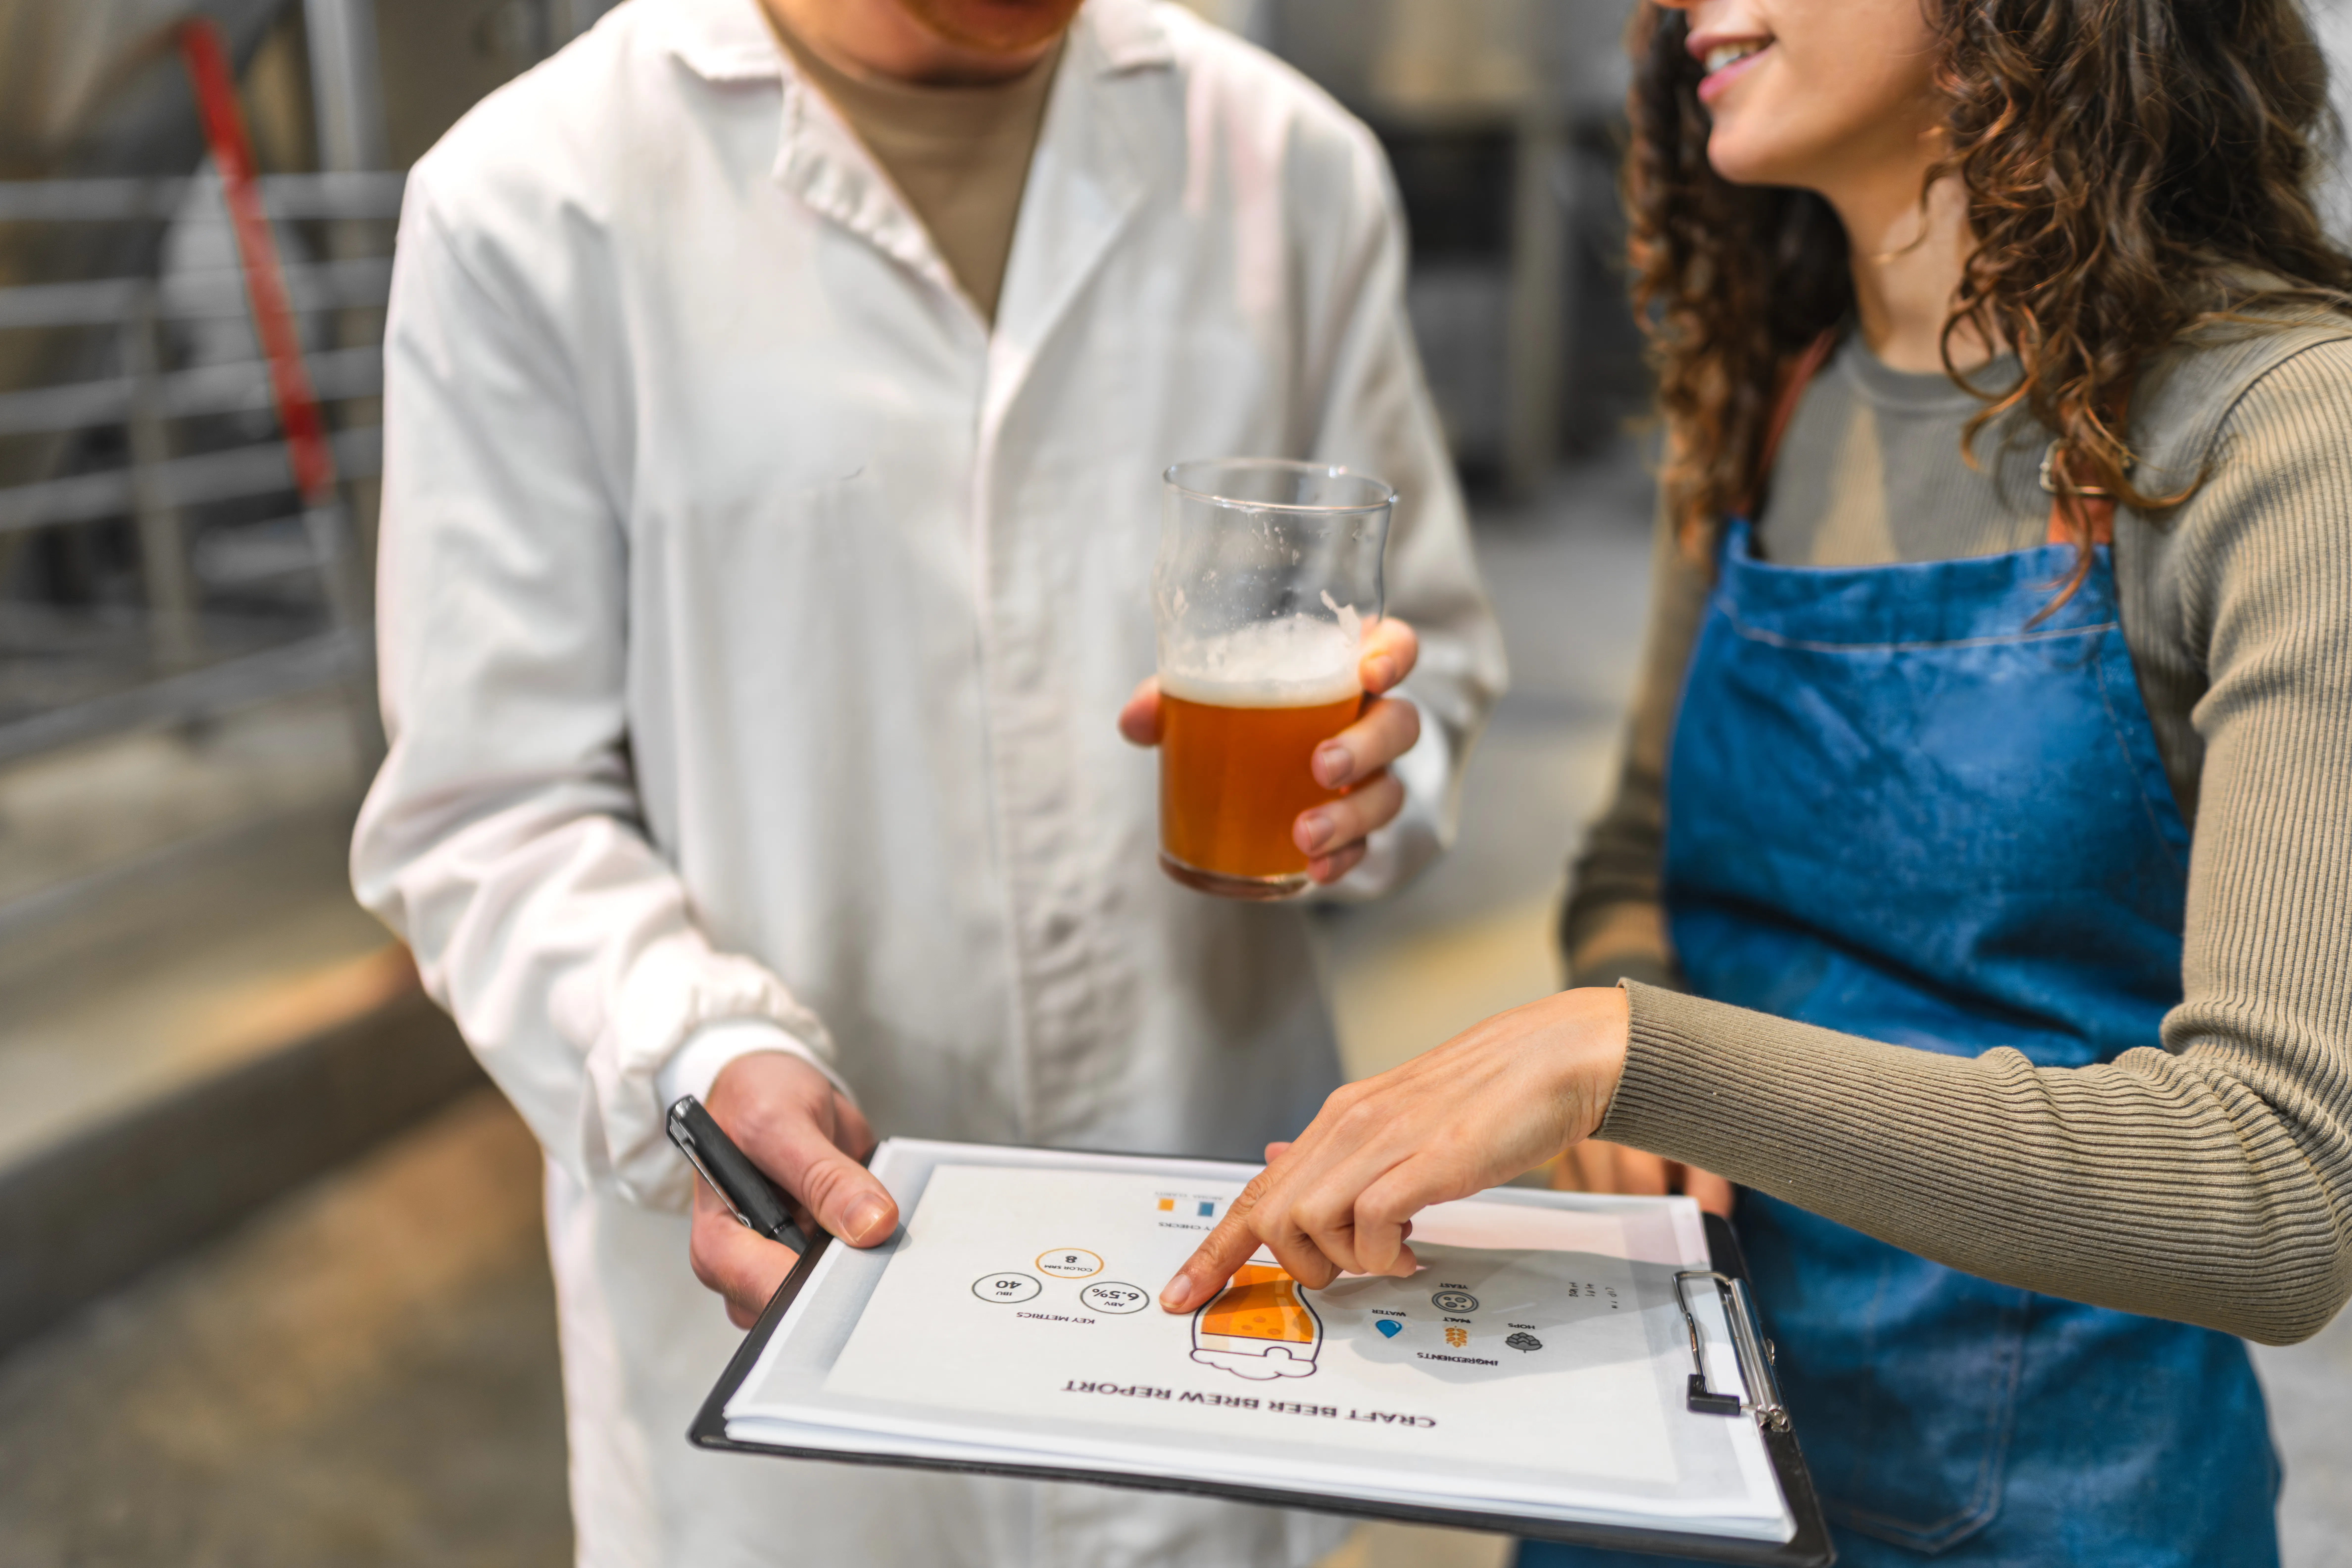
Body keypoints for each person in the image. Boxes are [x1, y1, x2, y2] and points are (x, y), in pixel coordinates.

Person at [1160, 0, 2352, 1564]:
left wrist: (1626, 1054)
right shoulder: (1765, 397)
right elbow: (1634, 860)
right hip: (1648, 1448)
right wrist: (1622, 1008)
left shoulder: (2283, 432)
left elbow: (2274, 1189)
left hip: (2061, 1495)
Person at [350, 0, 1506, 1562]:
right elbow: (489, 806)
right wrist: (693, 1043)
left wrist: (1383, 773)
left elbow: (1421, 650)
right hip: (801, 1352)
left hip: (1210, 1245)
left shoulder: (1288, 165)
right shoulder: (539, 197)